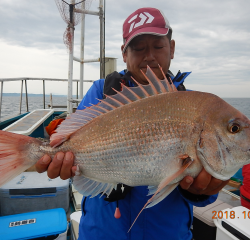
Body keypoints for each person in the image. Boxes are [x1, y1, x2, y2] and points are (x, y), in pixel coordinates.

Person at [36, 7, 229, 240]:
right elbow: (67, 143)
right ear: (124, 54)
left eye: (158, 46)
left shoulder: (190, 107)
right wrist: (57, 158)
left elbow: (203, 185)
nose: (150, 56)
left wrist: (201, 192)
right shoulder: (100, 93)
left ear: (172, 48)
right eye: (138, 48)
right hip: (103, 232)